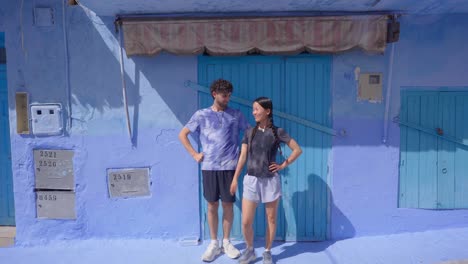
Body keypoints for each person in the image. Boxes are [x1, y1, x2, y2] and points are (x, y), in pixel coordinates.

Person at [179, 79, 249, 262]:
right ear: (214, 94)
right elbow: (183, 134)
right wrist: (195, 154)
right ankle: (214, 243)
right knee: (212, 205)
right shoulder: (201, 115)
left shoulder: (236, 115)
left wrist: (244, 150)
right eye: (224, 95)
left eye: (229, 95)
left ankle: (226, 242)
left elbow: (249, 134)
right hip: (209, 167)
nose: (227, 98)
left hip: (229, 168)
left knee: (227, 204)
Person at [230, 97, 302, 264]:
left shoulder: (278, 132)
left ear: (267, 111)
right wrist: (235, 179)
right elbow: (242, 157)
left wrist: (283, 165)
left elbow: (297, 150)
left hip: (270, 181)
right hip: (251, 180)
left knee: (271, 218)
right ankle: (250, 250)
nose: (254, 112)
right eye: (253, 109)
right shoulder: (249, 132)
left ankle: (268, 252)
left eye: (257, 109)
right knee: (246, 221)